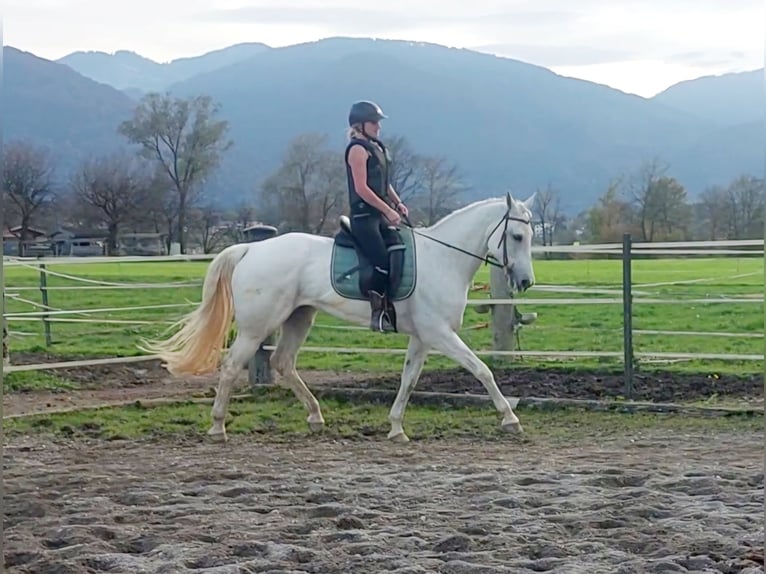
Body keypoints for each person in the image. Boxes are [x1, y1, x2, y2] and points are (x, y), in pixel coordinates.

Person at [344, 100, 409, 333]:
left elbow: (383, 183)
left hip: (379, 214)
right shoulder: (357, 150)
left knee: (399, 249)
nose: (378, 126)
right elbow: (362, 188)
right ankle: (377, 313)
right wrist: (387, 210)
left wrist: (397, 202)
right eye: (374, 122)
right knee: (381, 263)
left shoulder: (376, 147)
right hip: (364, 218)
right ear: (360, 125)